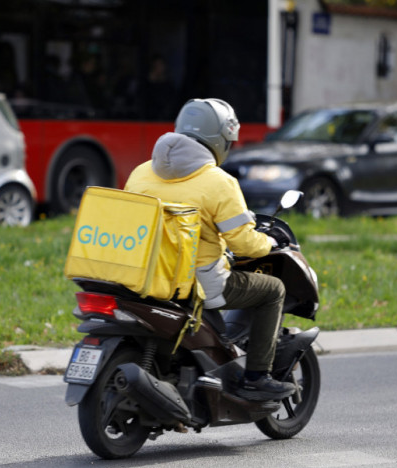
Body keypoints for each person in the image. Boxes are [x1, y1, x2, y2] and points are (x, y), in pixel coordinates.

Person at [124, 98, 295, 402]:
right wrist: (269, 242)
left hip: (145, 274)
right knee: (273, 290)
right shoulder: (219, 182)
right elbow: (243, 243)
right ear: (219, 141)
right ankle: (256, 377)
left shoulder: (140, 172)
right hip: (197, 282)